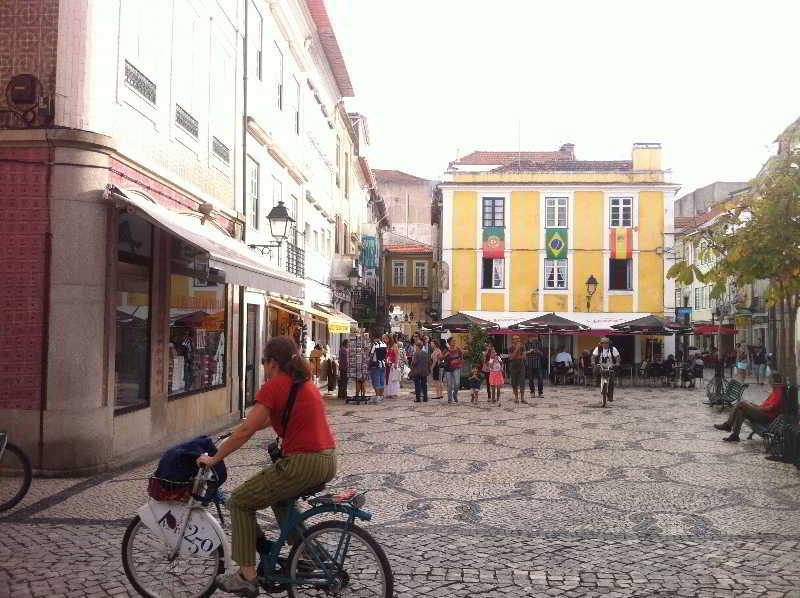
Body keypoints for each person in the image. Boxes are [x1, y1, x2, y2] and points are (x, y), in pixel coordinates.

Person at [197, 336, 337, 596]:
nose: (263, 367)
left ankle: (246, 576)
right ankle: (305, 555)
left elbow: (248, 428)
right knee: (280, 500)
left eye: (263, 362)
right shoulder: (302, 382)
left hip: (302, 463)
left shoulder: (276, 385)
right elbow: (263, 420)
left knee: (239, 501)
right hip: (326, 459)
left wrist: (215, 458)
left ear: (272, 363)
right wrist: (233, 435)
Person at [714, 373, 785, 441]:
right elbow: (767, 405)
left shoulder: (779, 392)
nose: (769, 381)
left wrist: (757, 408)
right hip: (763, 413)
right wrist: (755, 406)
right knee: (740, 411)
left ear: (774, 380)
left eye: (770, 379)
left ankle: (728, 425)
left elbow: (771, 408)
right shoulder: (776, 391)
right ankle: (735, 435)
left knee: (741, 404)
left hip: (766, 416)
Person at [591, 337, 620, 401]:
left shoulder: (613, 349)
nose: (605, 344)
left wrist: (617, 362)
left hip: (610, 366)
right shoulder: (598, 349)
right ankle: (596, 380)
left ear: (609, 343)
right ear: (601, 344)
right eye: (603, 343)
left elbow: (617, 357)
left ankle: (610, 396)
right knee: (595, 369)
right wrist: (593, 362)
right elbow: (593, 356)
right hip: (600, 365)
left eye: (607, 343)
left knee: (611, 381)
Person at [443, 337, 464, 404]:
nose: (454, 342)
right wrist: (445, 356)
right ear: (449, 343)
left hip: (456, 368)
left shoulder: (458, 349)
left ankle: (455, 394)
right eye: (453, 341)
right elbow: (440, 358)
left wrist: (460, 361)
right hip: (448, 369)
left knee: (457, 383)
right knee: (449, 385)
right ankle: (450, 399)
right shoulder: (446, 350)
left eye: (454, 341)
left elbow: (461, 356)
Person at [410, 338, 431, 402]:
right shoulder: (425, 353)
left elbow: (414, 362)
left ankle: (418, 398)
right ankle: (425, 398)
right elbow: (428, 362)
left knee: (417, 385)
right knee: (424, 385)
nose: (415, 347)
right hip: (424, 371)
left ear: (417, 346)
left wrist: (411, 365)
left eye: (415, 346)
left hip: (417, 371)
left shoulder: (416, 353)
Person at [508, 336, 528, 404]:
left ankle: (522, 398)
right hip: (513, 366)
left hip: (521, 366)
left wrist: (517, 355)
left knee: (522, 382)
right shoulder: (510, 347)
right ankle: (516, 398)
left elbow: (524, 357)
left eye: (519, 339)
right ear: (513, 340)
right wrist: (517, 349)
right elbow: (511, 358)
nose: (518, 340)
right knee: (514, 383)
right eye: (516, 339)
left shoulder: (523, 347)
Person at [368, 333, 387, 403]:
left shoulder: (374, 345)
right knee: (382, 380)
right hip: (383, 364)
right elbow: (386, 354)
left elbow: (371, 355)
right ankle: (381, 396)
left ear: (374, 338)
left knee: (376, 381)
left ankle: (377, 396)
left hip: (375, 365)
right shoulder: (384, 344)